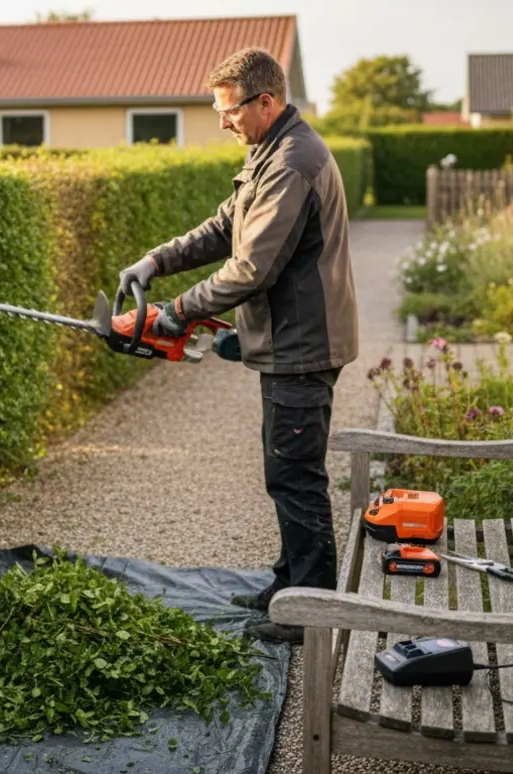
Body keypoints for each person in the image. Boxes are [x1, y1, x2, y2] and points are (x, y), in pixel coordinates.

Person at [117, 47, 358, 644]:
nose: (223, 121)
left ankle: (312, 614)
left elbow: (250, 269)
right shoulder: (268, 154)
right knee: (284, 470)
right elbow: (225, 228)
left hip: (302, 345)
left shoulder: (293, 162)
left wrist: (176, 313)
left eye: (229, 111)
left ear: (265, 101)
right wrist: (156, 261)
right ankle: (288, 584)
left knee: (296, 476)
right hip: (288, 342)